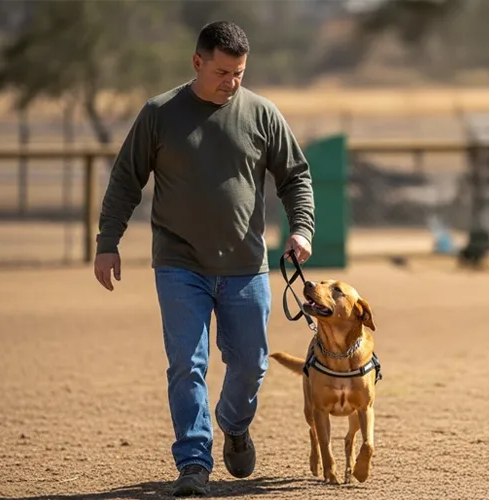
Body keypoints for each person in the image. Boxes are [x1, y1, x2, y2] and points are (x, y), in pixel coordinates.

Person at [92, 21, 315, 496]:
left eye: (238, 73)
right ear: (197, 62)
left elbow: (295, 176)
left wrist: (301, 229)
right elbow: (125, 181)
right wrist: (107, 242)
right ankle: (194, 463)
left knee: (251, 363)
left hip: (245, 264)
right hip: (179, 264)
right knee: (186, 364)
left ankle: (234, 424)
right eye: (222, 72)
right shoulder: (159, 114)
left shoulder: (262, 114)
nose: (231, 83)